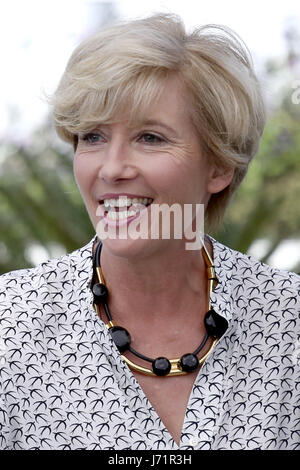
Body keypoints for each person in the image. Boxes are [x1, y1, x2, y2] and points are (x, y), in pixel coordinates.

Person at [0, 13, 299, 451]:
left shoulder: (290, 320)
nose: (113, 168)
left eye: (150, 138)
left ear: (219, 165)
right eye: (93, 136)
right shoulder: (11, 323)